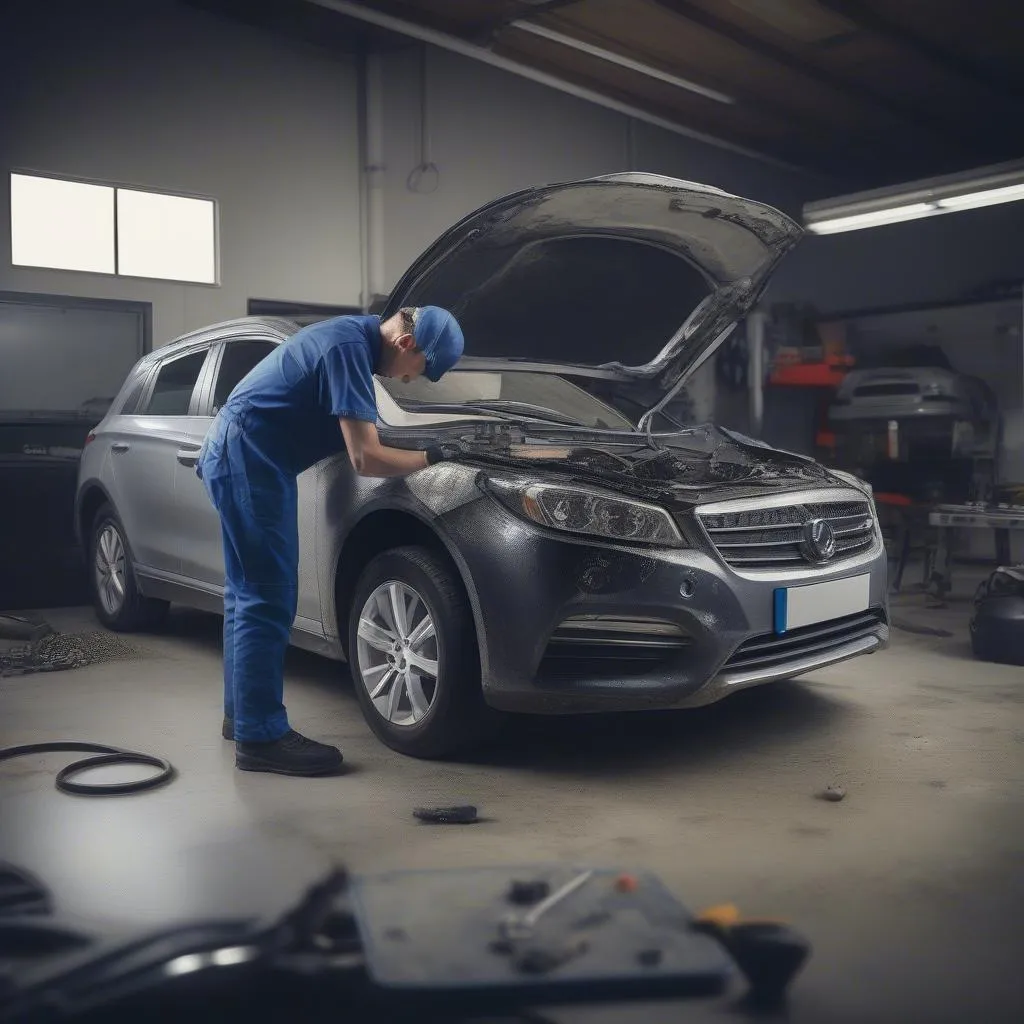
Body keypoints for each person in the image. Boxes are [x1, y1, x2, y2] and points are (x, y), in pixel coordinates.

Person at [196, 307, 465, 777]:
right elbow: (364, 456)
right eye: (419, 370)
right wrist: (431, 457)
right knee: (268, 597)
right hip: (251, 459)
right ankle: (260, 738)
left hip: (238, 451)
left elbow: (360, 429)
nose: (407, 381)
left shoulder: (351, 338)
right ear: (406, 345)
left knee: (245, 597)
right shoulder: (348, 351)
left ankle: (242, 718)